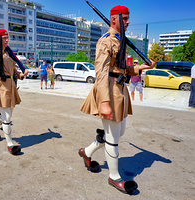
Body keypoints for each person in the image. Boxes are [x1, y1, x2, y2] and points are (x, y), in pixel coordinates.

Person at [78, 5, 155, 194]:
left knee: (119, 132)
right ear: (114, 19)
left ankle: (87, 152)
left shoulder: (121, 41)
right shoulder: (105, 41)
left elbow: (123, 69)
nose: (128, 22)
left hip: (120, 89)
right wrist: (104, 102)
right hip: (109, 90)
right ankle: (114, 177)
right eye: (126, 19)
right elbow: (102, 72)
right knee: (113, 137)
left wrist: (143, 67)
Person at [0, 29, 28, 155]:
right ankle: (10, 144)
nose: (7, 40)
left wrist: (21, 74)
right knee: (7, 117)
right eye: (4, 38)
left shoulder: (9, 54)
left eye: (7, 37)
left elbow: (13, 71)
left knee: (7, 115)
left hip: (11, 86)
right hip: (0, 86)